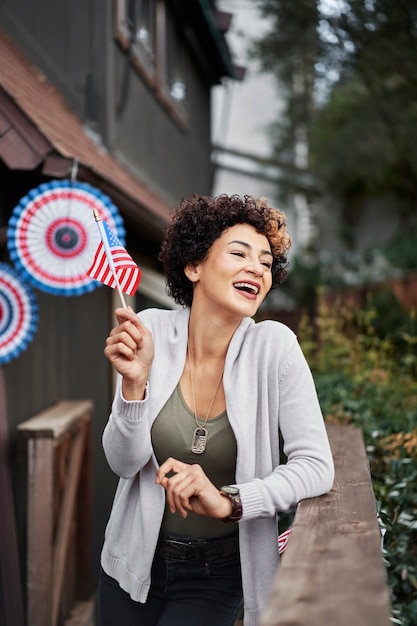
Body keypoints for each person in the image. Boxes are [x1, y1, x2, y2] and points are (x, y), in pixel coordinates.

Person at [98, 193, 335, 626]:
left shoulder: (275, 348)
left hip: (218, 574)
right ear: (194, 267)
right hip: (130, 562)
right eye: (240, 253)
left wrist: (234, 502)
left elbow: (317, 465)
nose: (257, 269)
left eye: (266, 262)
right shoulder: (148, 330)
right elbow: (123, 462)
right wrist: (134, 385)